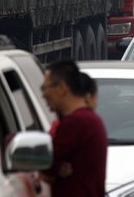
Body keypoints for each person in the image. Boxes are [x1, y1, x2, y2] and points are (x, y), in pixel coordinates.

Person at [40, 60, 107, 197]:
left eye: (45, 88)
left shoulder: (77, 122)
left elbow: (46, 170)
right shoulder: (87, 119)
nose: (43, 95)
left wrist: (50, 170)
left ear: (62, 88)